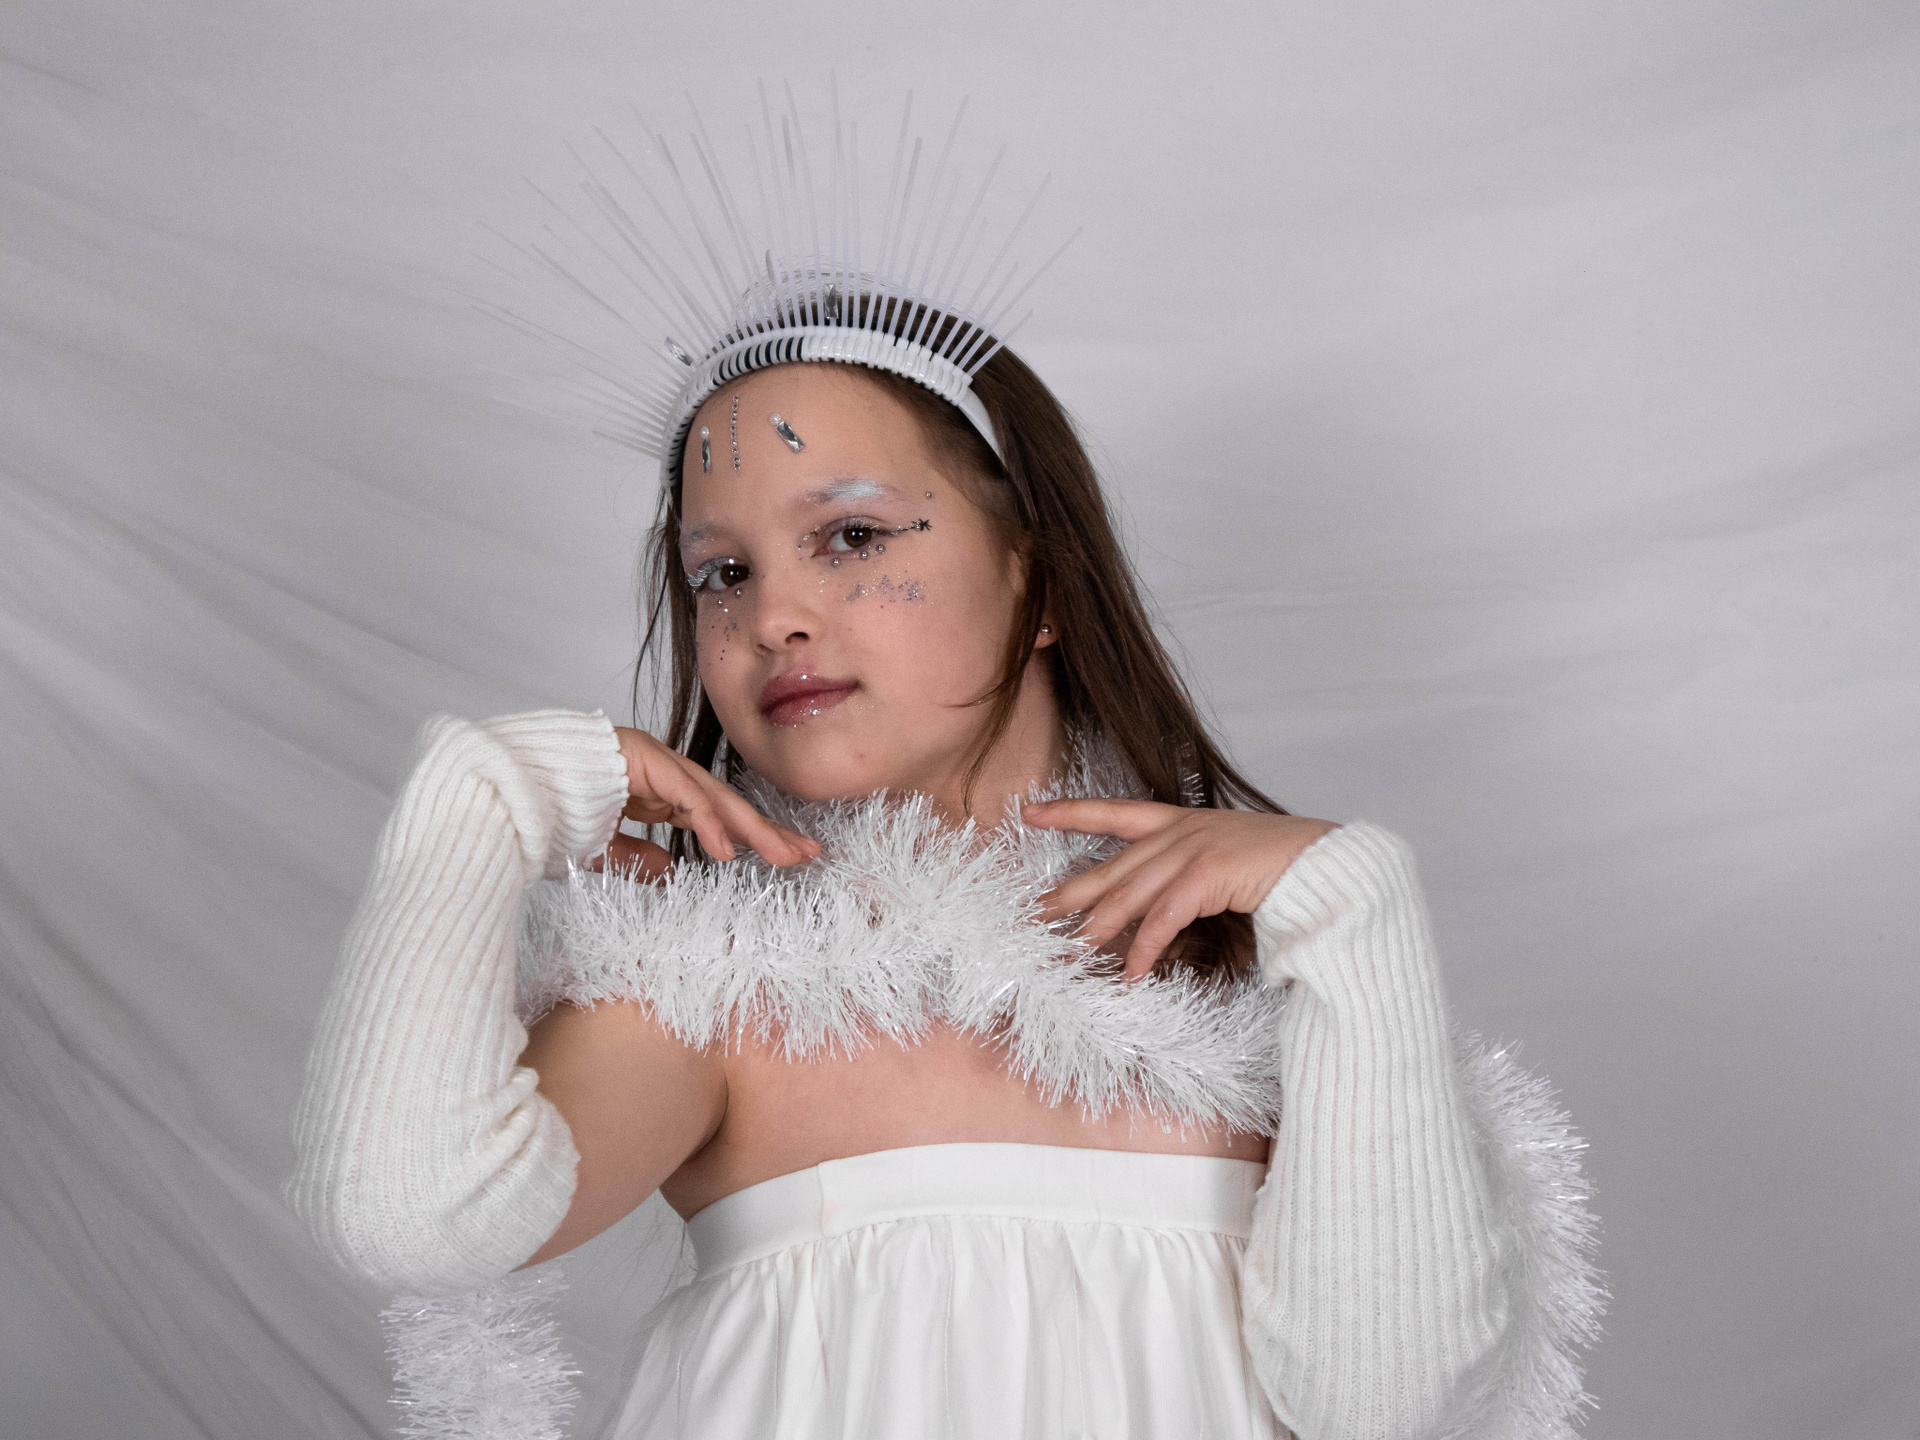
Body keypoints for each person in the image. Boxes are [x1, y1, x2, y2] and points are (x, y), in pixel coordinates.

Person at [288, 107, 1601, 1440]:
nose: (774, 615)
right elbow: (412, 1220)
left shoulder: (1257, 1005)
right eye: (722, 573)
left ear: (1041, 582)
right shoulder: (716, 987)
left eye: (853, 537)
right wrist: (479, 798)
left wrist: (1358, 911)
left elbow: (1391, 1404)